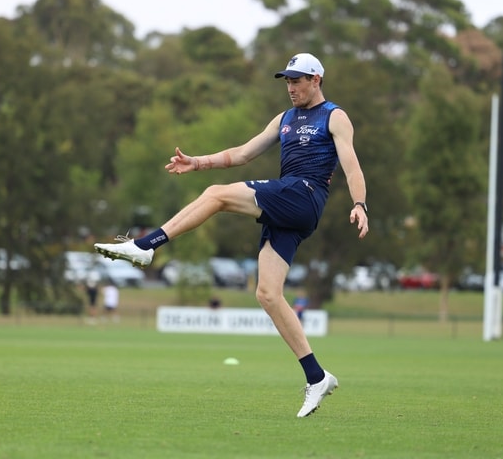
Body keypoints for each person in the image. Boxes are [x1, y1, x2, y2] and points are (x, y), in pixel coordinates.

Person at [95, 52, 368, 417]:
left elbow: (351, 164)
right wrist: (197, 162)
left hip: (304, 196)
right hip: (288, 205)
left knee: (217, 195)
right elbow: (242, 154)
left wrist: (360, 203)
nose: (290, 87)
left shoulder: (334, 115)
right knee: (268, 294)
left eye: (297, 80)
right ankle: (316, 377)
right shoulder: (284, 119)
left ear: (316, 79)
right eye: (286, 80)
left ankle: (145, 246)